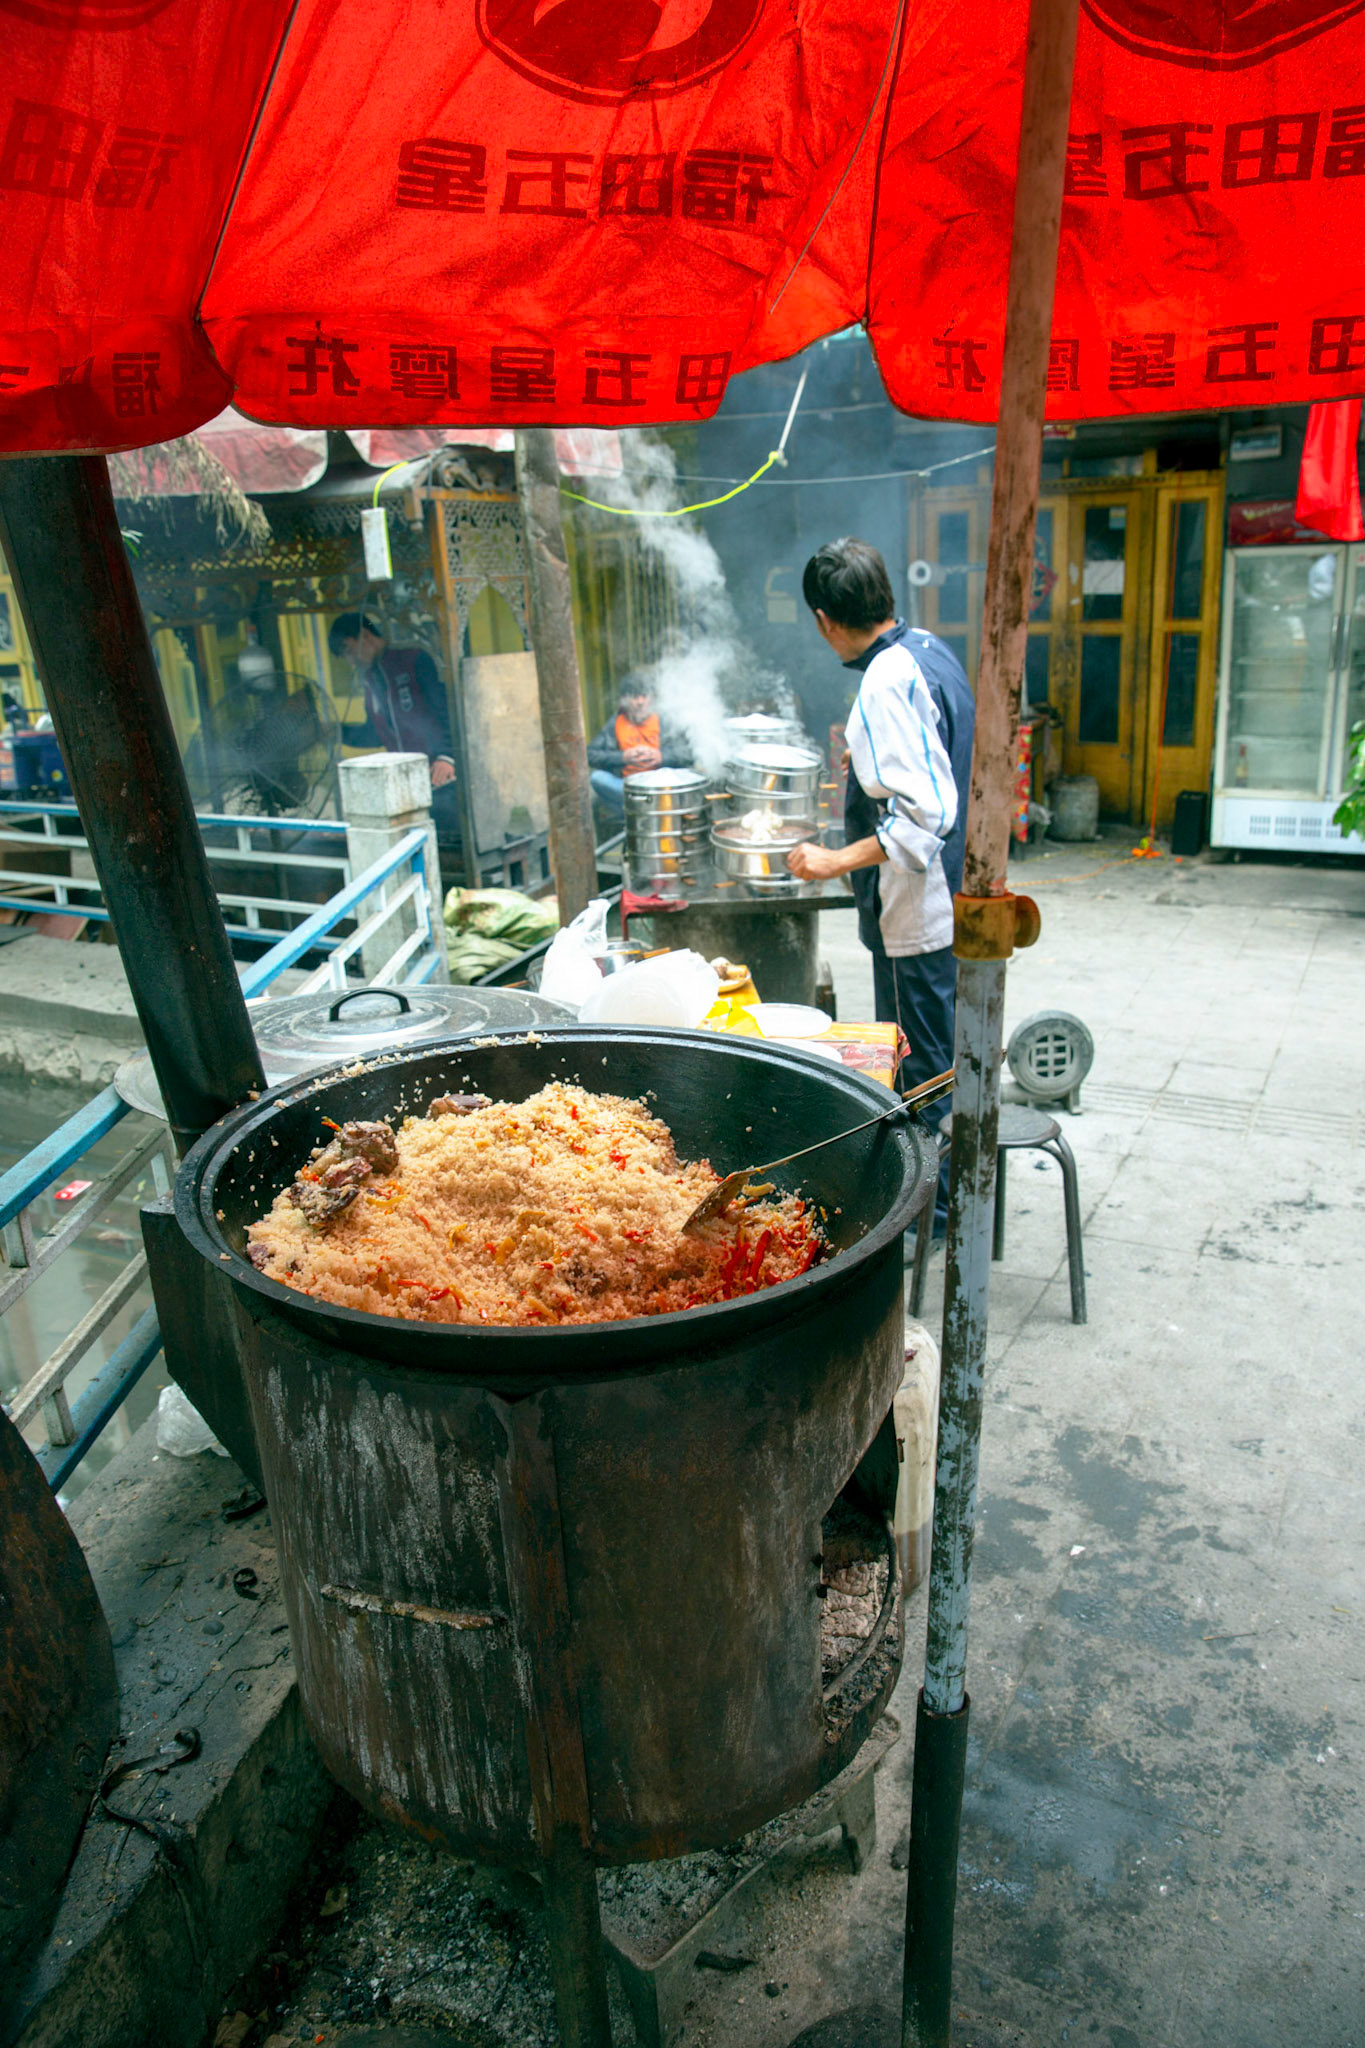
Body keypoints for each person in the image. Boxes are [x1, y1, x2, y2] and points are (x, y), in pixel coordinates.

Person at [786, 538, 974, 1236]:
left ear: (823, 619)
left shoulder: (883, 685)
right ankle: (942, 1197)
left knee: (920, 1062)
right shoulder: (927, 648)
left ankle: (934, 1214)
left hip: (917, 914)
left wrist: (833, 860)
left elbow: (923, 816)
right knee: (929, 1050)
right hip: (949, 898)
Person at [328, 613, 459, 836]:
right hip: (406, 783)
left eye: (350, 651)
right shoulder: (371, 679)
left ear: (365, 636)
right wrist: (337, 732)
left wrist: (446, 756)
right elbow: (376, 734)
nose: (352, 661)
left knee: (450, 838)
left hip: (443, 778)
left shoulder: (414, 659)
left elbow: (448, 710)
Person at [585, 674, 690, 817]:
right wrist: (622, 757)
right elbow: (590, 755)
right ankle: (640, 811)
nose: (640, 702)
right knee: (597, 778)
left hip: (661, 789)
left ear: (652, 698)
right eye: (634, 697)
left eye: (644, 696)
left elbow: (689, 753)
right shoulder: (616, 723)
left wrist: (662, 757)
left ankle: (636, 812)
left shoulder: (664, 721)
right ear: (624, 700)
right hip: (627, 788)